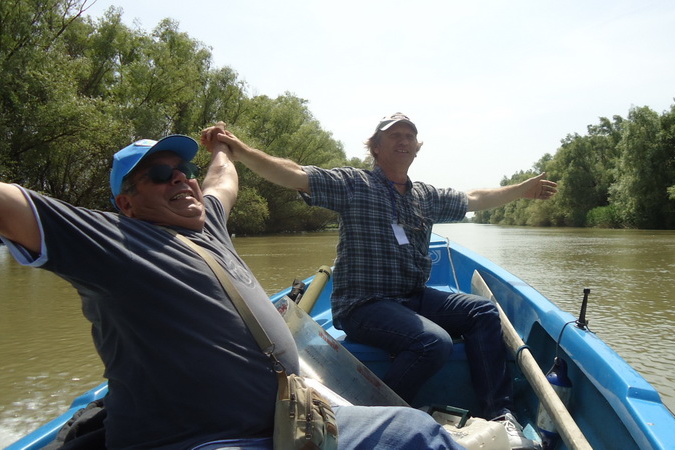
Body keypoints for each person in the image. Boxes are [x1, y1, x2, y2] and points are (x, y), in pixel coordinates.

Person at [0, 125, 465, 449]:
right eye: (159, 175)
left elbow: (223, 178)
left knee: (418, 432)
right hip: (204, 440)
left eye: (183, 170)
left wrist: (223, 146)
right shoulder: (111, 240)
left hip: (285, 418)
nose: (179, 180)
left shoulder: (208, 225)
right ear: (126, 203)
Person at [209, 113, 558, 448]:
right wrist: (241, 151)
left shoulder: (425, 196)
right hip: (363, 304)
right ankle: (373, 421)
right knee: (433, 342)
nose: (404, 140)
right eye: (394, 135)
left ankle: (500, 415)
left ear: (417, 148)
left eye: (409, 136)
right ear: (375, 147)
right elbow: (294, 174)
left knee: (482, 312)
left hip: (413, 296)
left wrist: (521, 190)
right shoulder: (353, 185)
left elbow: (475, 198)